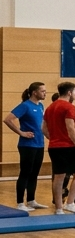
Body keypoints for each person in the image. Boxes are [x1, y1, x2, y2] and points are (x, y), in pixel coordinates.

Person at [45, 82, 75, 214]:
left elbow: (43, 128)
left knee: (59, 176)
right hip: (67, 146)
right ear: (69, 92)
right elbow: (70, 128)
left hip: (54, 147)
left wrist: (53, 139)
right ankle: (70, 203)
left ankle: (58, 208)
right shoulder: (69, 107)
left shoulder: (50, 107)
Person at [5, 82, 47, 211]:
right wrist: (21, 132)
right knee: (25, 173)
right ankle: (20, 203)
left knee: (34, 173)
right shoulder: (25, 106)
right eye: (42, 91)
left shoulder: (40, 105)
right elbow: (8, 119)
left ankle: (31, 200)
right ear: (34, 92)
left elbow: (41, 125)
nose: (45, 93)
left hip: (39, 143)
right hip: (27, 145)